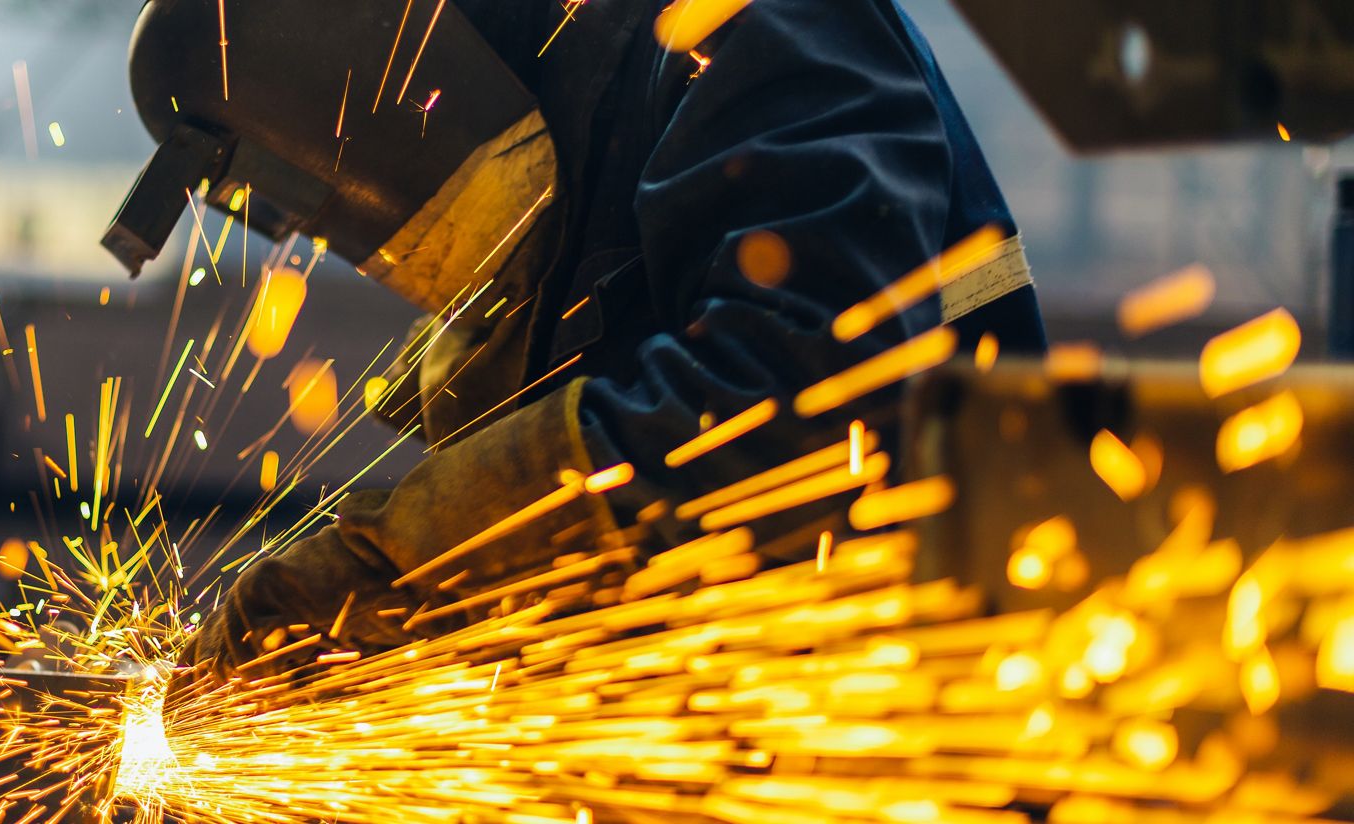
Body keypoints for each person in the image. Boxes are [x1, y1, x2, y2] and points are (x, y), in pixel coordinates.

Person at [101, 0, 1046, 681]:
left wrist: (409, 568)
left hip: (916, 686)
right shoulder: (588, 73)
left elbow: (802, 410)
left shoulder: (756, 23)